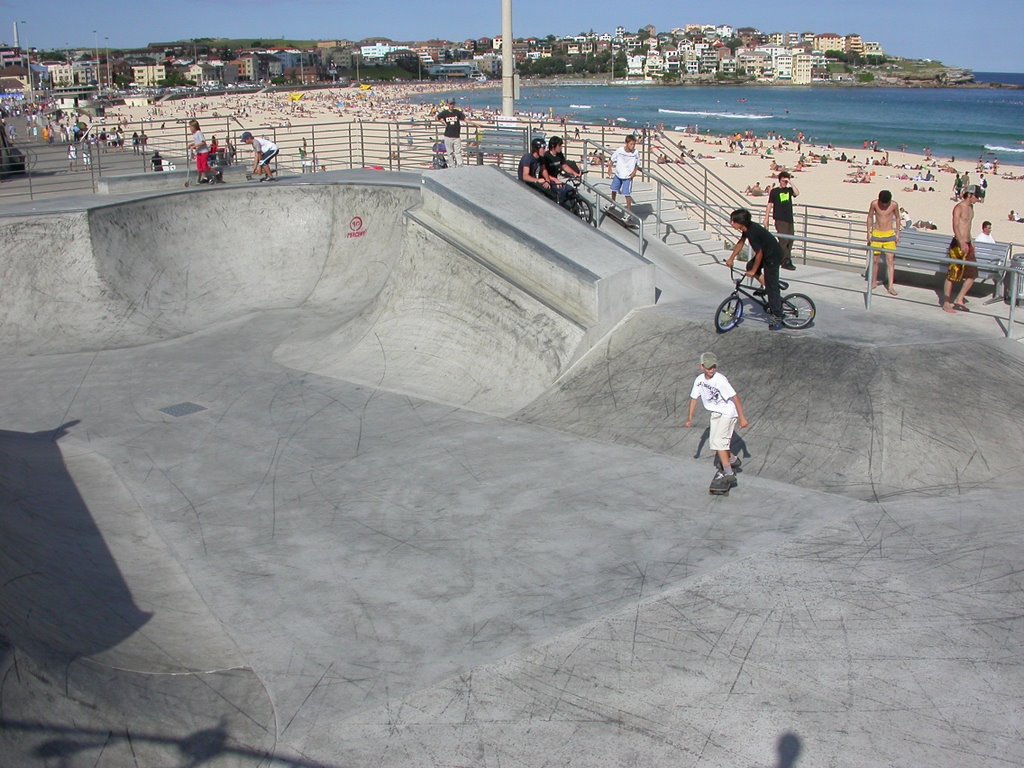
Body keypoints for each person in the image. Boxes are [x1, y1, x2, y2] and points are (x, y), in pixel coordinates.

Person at [684, 351, 749, 493]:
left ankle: (728, 473)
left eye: (714, 366)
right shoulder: (699, 381)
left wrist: (742, 418)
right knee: (715, 442)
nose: (712, 370)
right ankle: (731, 459)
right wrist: (690, 418)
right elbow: (694, 399)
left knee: (719, 442)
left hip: (728, 412)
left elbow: (735, 398)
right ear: (701, 367)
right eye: (708, 367)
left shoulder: (720, 380)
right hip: (715, 413)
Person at [725, 208, 785, 331]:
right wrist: (731, 258)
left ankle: (778, 316)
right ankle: (767, 285)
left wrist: (753, 271)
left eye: (733, 221)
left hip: (773, 256)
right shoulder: (746, 229)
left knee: (771, 287)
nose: (731, 223)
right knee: (749, 266)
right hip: (767, 254)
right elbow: (741, 243)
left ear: (741, 223)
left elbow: (759, 253)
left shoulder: (753, 232)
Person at [942, 184, 985, 313]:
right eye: (977, 197)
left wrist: (972, 243)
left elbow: (968, 226)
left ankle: (959, 298)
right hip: (957, 244)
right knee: (952, 275)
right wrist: (961, 242)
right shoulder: (959, 207)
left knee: (972, 274)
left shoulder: (971, 208)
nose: (978, 199)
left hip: (968, 243)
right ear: (970, 195)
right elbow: (955, 226)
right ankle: (946, 302)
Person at [866, 189, 901, 295]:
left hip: (889, 234)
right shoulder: (874, 204)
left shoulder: (894, 205)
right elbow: (870, 217)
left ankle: (890, 286)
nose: (884, 206)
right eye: (883, 204)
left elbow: (898, 218)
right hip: (877, 234)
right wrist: (868, 232)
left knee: (890, 261)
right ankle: (873, 282)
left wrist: (897, 233)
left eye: (886, 204)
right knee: (875, 260)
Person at [765, 171, 798, 270]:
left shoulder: (788, 190)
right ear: (779, 180)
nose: (784, 183)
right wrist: (766, 217)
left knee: (790, 240)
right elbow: (770, 204)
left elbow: (797, 193)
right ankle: (785, 260)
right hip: (780, 218)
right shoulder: (775, 191)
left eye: (786, 181)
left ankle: (783, 258)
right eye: (783, 181)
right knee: (783, 240)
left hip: (789, 218)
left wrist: (791, 182)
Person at [542, 135, 581, 205]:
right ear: (553, 146)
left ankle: (574, 209)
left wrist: (574, 173)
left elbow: (565, 166)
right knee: (562, 191)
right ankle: (560, 207)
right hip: (546, 180)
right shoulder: (546, 156)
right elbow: (543, 172)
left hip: (556, 180)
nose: (561, 147)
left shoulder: (559, 155)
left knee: (571, 190)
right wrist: (555, 180)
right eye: (559, 146)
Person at [607, 134, 640, 214]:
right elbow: (612, 160)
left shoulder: (636, 153)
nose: (632, 146)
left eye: (634, 144)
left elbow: (637, 164)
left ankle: (628, 212)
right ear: (626, 143)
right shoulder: (620, 150)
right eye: (631, 144)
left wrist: (634, 172)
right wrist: (609, 169)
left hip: (628, 177)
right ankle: (613, 203)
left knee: (627, 194)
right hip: (618, 174)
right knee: (613, 189)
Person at [436, 99, 466, 168]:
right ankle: (452, 166)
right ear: (447, 104)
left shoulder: (457, 112)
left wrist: (475, 124)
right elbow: (437, 117)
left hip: (456, 136)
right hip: (448, 136)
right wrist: (443, 122)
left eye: (452, 104)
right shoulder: (445, 113)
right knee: (450, 153)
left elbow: (465, 119)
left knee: (458, 152)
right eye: (450, 104)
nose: (451, 105)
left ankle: (460, 165)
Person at [188, 119, 212, 184]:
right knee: (199, 167)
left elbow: (203, 142)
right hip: (199, 152)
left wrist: (194, 146)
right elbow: (197, 142)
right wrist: (192, 144)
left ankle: (215, 174)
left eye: (190, 127)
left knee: (204, 167)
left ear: (194, 127)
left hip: (204, 152)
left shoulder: (199, 133)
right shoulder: (194, 134)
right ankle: (203, 178)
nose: (189, 128)